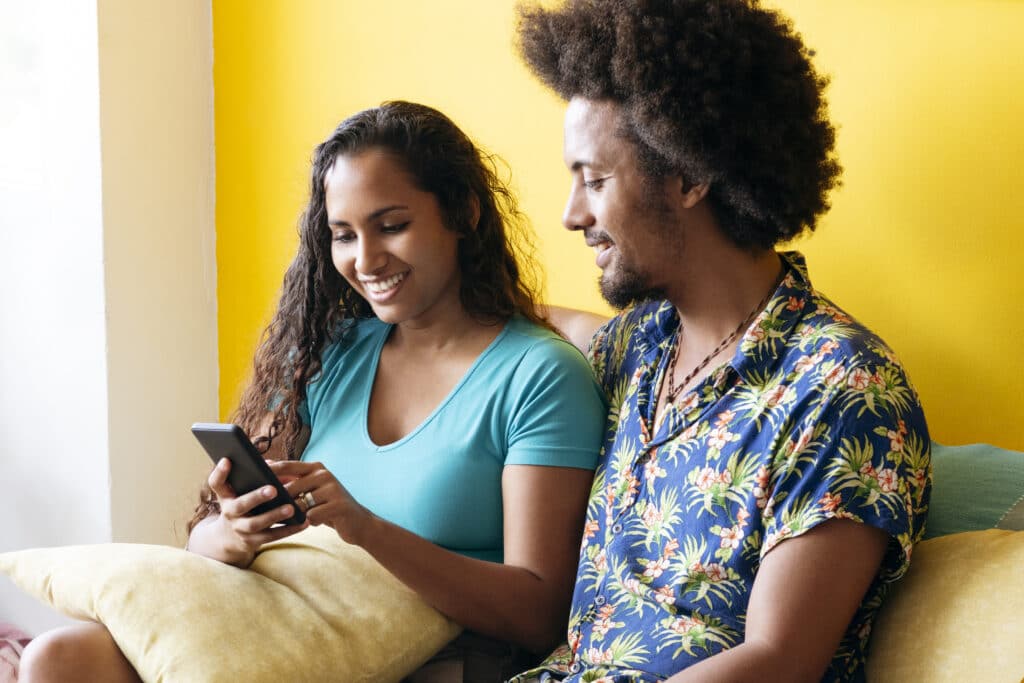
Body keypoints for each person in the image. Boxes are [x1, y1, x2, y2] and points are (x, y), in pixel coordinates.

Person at [18, 101, 607, 682]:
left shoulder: (539, 376)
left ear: (464, 213)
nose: (366, 259)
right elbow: (204, 543)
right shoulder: (331, 353)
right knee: (58, 658)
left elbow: (537, 612)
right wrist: (237, 531)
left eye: (392, 226)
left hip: (421, 654)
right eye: (343, 235)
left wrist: (364, 528)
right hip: (283, 623)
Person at [511, 1, 931, 682]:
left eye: (594, 179)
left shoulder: (841, 388)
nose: (571, 214)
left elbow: (779, 659)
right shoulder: (634, 349)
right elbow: (524, 324)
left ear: (688, 174)